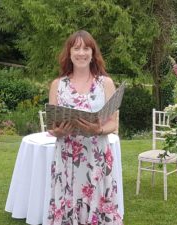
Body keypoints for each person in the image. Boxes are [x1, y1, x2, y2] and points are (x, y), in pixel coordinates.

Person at [47, 30, 123, 225]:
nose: (81, 53)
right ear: (69, 53)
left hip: (96, 155)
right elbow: (52, 126)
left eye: (86, 48)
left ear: (93, 52)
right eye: (76, 48)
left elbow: (113, 123)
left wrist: (98, 130)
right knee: (68, 200)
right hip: (67, 155)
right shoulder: (57, 85)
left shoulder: (105, 83)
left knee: (98, 202)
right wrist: (58, 132)